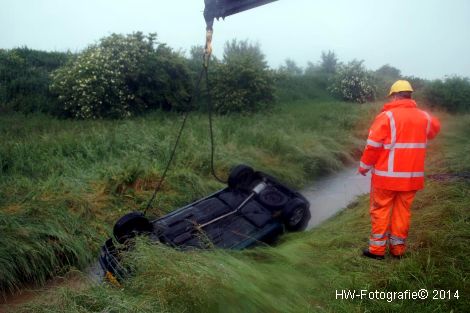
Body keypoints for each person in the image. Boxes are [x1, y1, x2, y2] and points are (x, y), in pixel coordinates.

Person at [358, 80, 440, 260]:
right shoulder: (424, 117)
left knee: (381, 210)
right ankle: (398, 250)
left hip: (385, 178)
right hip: (411, 178)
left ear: (394, 96)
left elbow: (372, 146)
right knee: (402, 213)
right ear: (410, 96)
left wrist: (364, 166)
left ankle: (377, 251)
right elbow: (435, 129)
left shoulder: (386, 117)